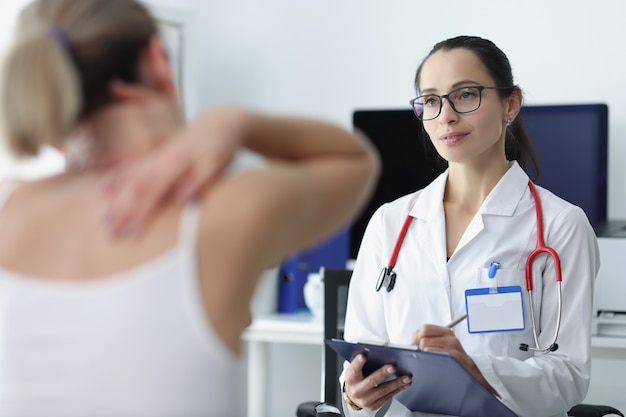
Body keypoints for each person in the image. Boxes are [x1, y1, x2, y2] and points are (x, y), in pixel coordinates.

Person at [0, 0, 380, 416]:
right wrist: (233, 122)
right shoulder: (223, 212)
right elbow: (356, 160)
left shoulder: (7, 208)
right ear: (158, 61)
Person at [340, 35, 599, 417]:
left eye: (465, 94)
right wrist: (353, 396)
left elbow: (568, 375)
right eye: (431, 100)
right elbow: (359, 359)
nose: (446, 115)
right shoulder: (389, 223)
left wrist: (477, 371)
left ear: (511, 104)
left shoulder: (561, 226)